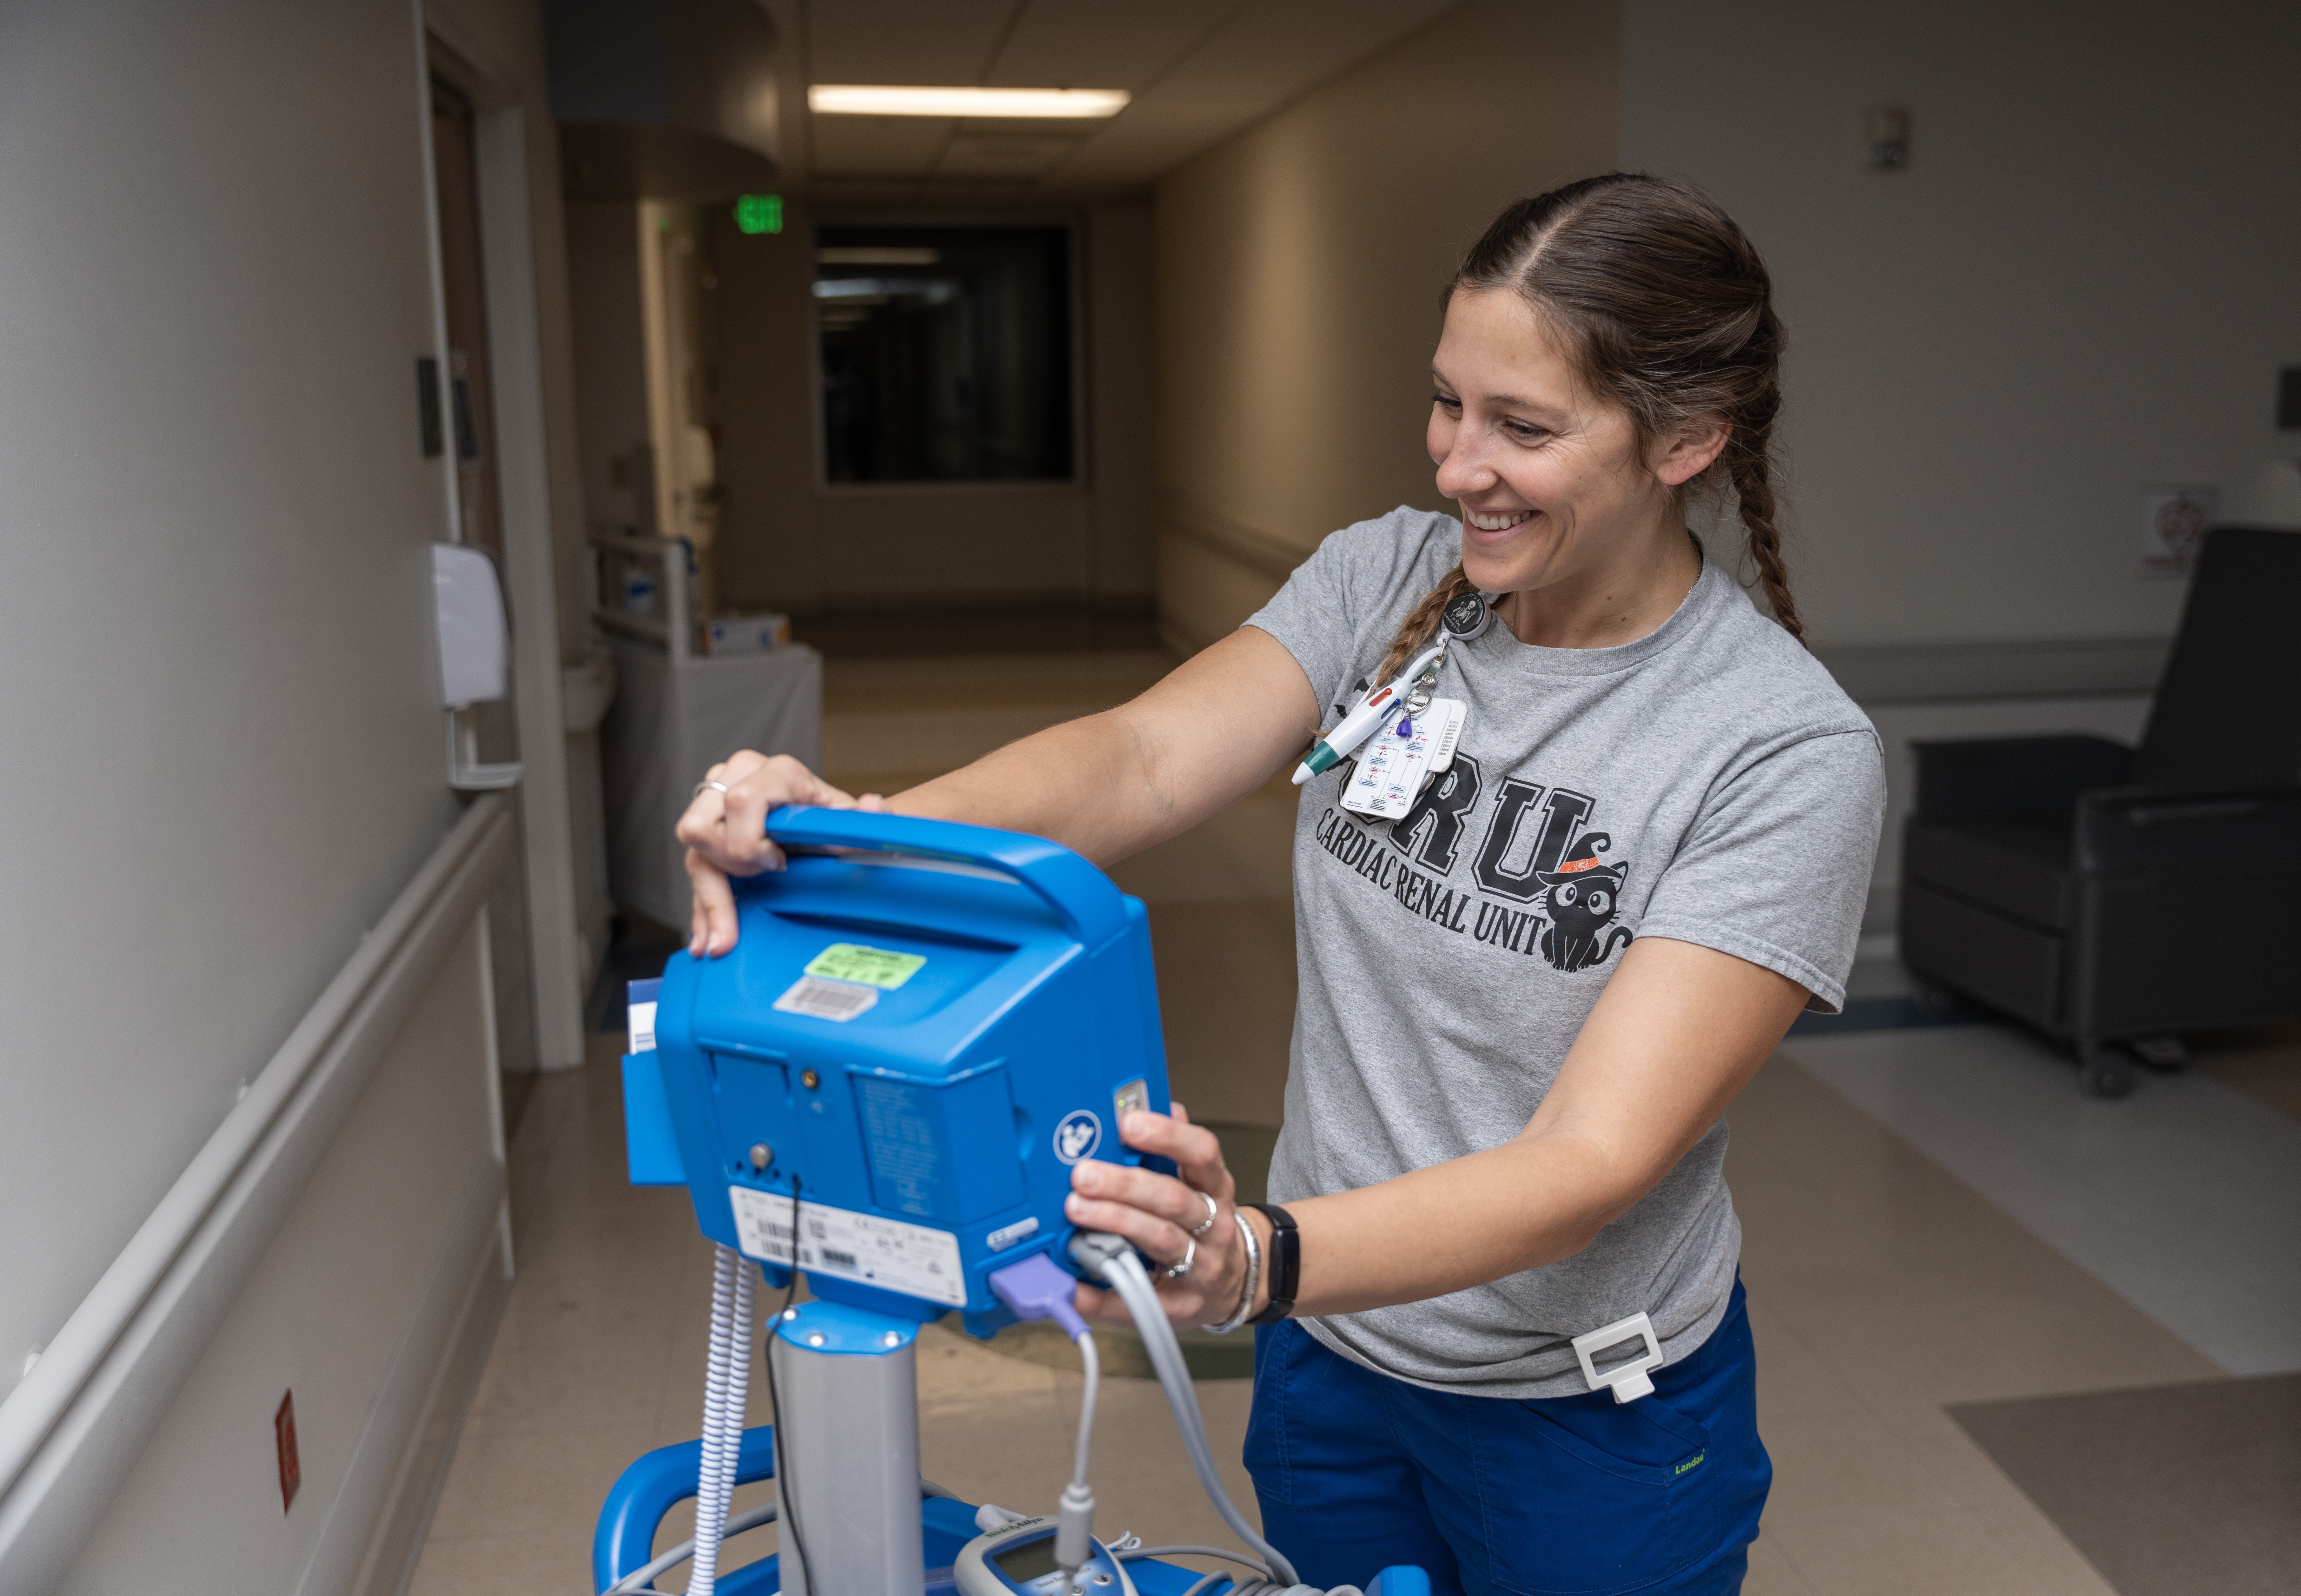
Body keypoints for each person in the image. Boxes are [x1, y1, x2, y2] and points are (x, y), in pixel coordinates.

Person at [676, 174, 1885, 1596]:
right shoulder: (1393, 581)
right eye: (1447, 403)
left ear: (1688, 438)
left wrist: (1257, 1261)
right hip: (1334, 1358)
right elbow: (1139, 762)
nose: (1456, 466)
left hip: (1580, 1420)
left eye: (1524, 427)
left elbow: (1587, 1167)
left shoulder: (1779, 751)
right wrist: (853, 831)